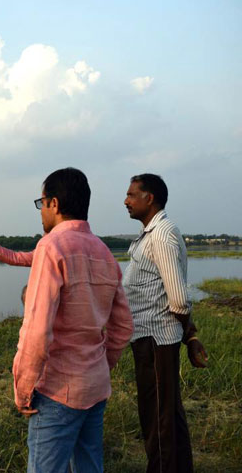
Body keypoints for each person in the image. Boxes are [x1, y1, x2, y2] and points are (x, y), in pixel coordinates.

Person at [0, 167, 133, 472]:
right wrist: (100, 366)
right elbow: (123, 327)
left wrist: (23, 388)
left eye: (41, 203)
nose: (40, 211)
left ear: (54, 204)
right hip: (95, 387)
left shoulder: (51, 247)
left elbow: (37, 331)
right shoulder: (105, 253)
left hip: (58, 391)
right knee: (89, 465)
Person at [122, 173, 208, 473]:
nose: (126, 200)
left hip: (156, 340)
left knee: (158, 418)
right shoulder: (150, 234)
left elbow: (179, 300)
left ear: (150, 198)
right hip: (148, 338)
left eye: (132, 195)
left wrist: (190, 334)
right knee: (167, 413)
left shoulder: (161, 235)